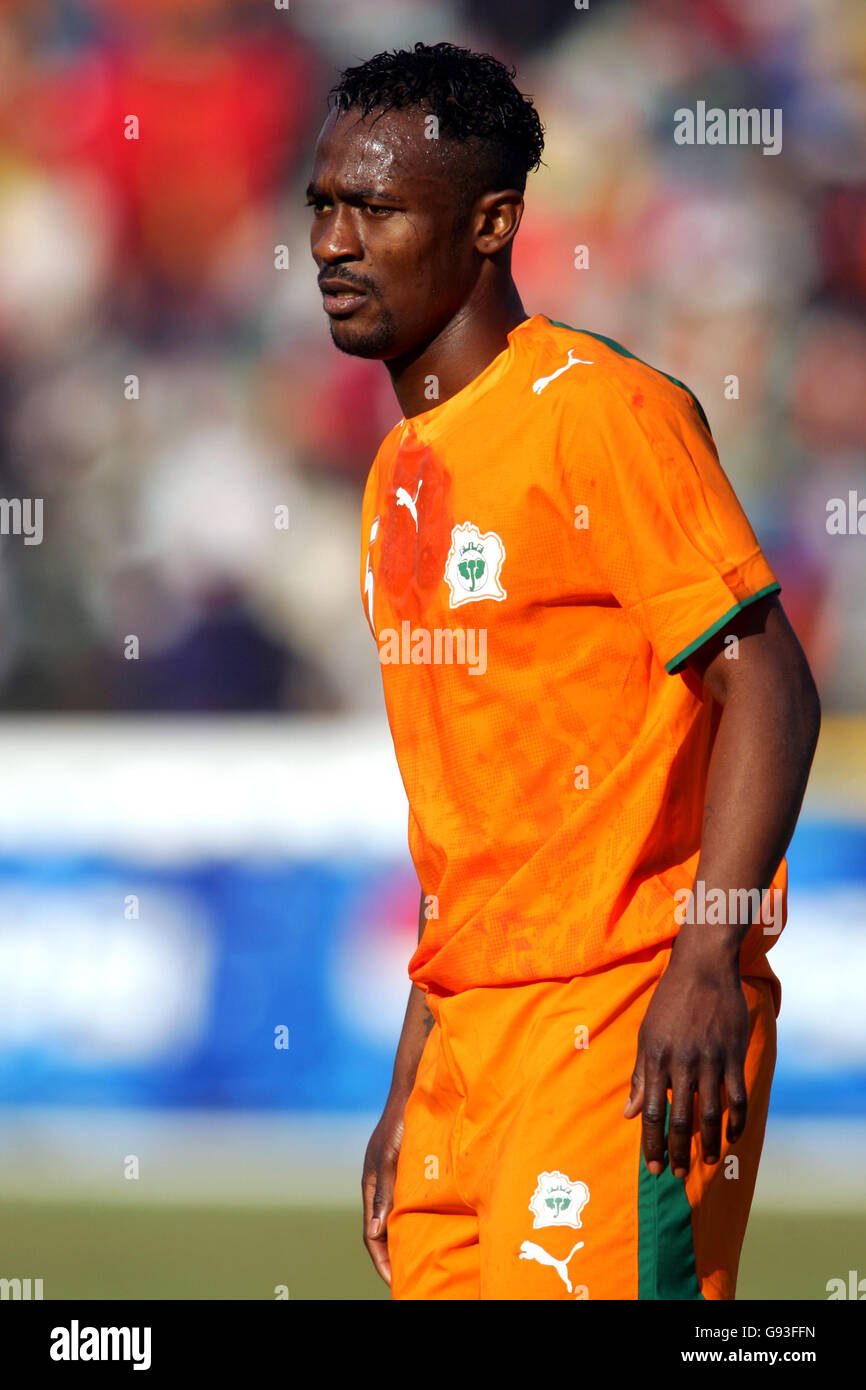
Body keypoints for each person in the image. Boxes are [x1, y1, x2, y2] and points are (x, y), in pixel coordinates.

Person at [307, 41, 821, 1300]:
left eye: (375, 209)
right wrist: (412, 1076)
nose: (332, 241)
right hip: (468, 1048)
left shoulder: (599, 412)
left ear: (489, 224)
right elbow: (474, 815)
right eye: (321, 204)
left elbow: (766, 679)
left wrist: (706, 958)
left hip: (621, 1014)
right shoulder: (396, 478)